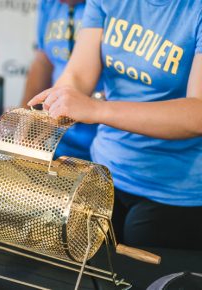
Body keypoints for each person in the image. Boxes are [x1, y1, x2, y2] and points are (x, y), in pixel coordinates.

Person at [28, 0, 202, 249]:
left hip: (175, 190)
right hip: (105, 173)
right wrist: (48, 114)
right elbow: (78, 75)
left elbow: (197, 114)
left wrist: (96, 109)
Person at [0, 0, 102, 161]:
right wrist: (24, 116)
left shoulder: (105, 6)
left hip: (98, 142)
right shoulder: (49, 4)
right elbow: (43, 61)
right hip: (56, 139)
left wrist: (92, 103)